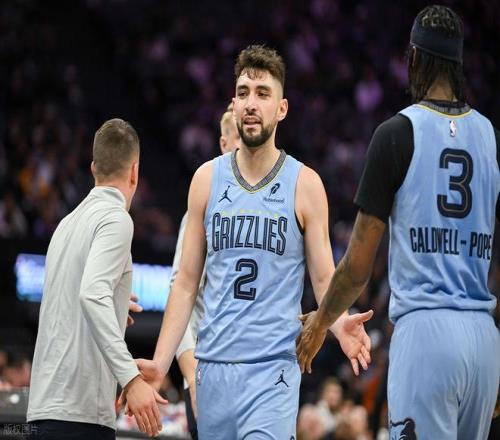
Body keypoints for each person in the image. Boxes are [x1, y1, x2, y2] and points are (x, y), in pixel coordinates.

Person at [136, 45, 372, 439]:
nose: (251, 103)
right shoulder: (205, 180)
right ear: (233, 104)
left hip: (272, 371)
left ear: (281, 108)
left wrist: (339, 320)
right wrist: (161, 364)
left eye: (263, 93)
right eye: (243, 92)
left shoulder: (305, 184)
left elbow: (323, 278)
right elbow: (185, 283)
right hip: (213, 369)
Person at [297, 5, 500, 440]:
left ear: (414, 58)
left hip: (426, 335)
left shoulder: (396, 134)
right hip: (484, 339)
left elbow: (357, 268)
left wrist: (320, 321)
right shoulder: (492, 138)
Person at [27, 118, 166, 439]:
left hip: (44, 410)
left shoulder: (66, 224)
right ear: (135, 172)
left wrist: (114, 304)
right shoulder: (116, 218)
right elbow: (91, 294)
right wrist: (131, 378)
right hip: (79, 416)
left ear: (93, 169)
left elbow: (73, 299)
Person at [171, 104, 241, 439]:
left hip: (257, 376)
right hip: (208, 374)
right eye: (238, 137)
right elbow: (180, 293)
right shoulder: (203, 208)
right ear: (224, 144)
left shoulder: (273, 207)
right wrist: (191, 375)